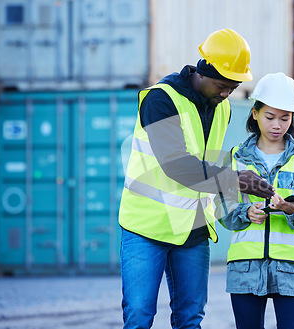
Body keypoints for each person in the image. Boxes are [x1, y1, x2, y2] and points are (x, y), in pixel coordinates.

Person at [118, 29, 275, 329]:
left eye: (233, 86)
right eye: (221, 85)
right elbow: (177, 165)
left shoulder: (223, 107)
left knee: (190, 320)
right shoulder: (159, 100)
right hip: (146, 226)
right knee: (139, 317)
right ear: (203, 71)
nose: (227, 93)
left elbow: (211, 160)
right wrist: (237, 180)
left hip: (192, 227)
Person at [215, 72, 294, 329]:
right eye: (270, 117)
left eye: (285, 118)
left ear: (293, 117)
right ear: (255, 113)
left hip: (292, 268)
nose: (277, 125)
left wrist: (291, 209)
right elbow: (222, 207)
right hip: (246, 268)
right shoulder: (235, 157)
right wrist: (246, 212)